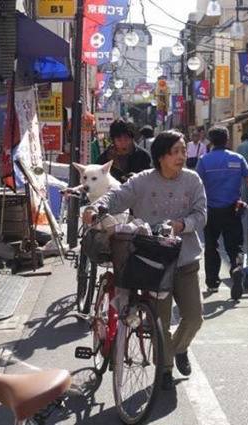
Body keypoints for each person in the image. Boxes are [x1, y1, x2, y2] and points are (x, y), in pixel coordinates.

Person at [83, 130, 207, 391]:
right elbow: (115, 197)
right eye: (176, 151)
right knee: (159, 321)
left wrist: (182, 224)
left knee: (194, 317)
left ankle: (178, 349)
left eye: (183, 151)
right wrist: (95, 208)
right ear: (161, 156)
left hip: (185, 258)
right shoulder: (142, 181)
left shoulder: (192, 180)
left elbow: (201, 214)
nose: (182, 156)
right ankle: (164, 369)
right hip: (151, 261)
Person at [196, 126, 248, 293]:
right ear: (227, 140)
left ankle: (212, 282)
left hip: (210, 210)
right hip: (233, 209)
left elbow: (196, 185)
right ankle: (236, 268)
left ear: (210, 141)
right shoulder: (238, 158)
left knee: (212, 246)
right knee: (235, 246)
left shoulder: (204, 160)